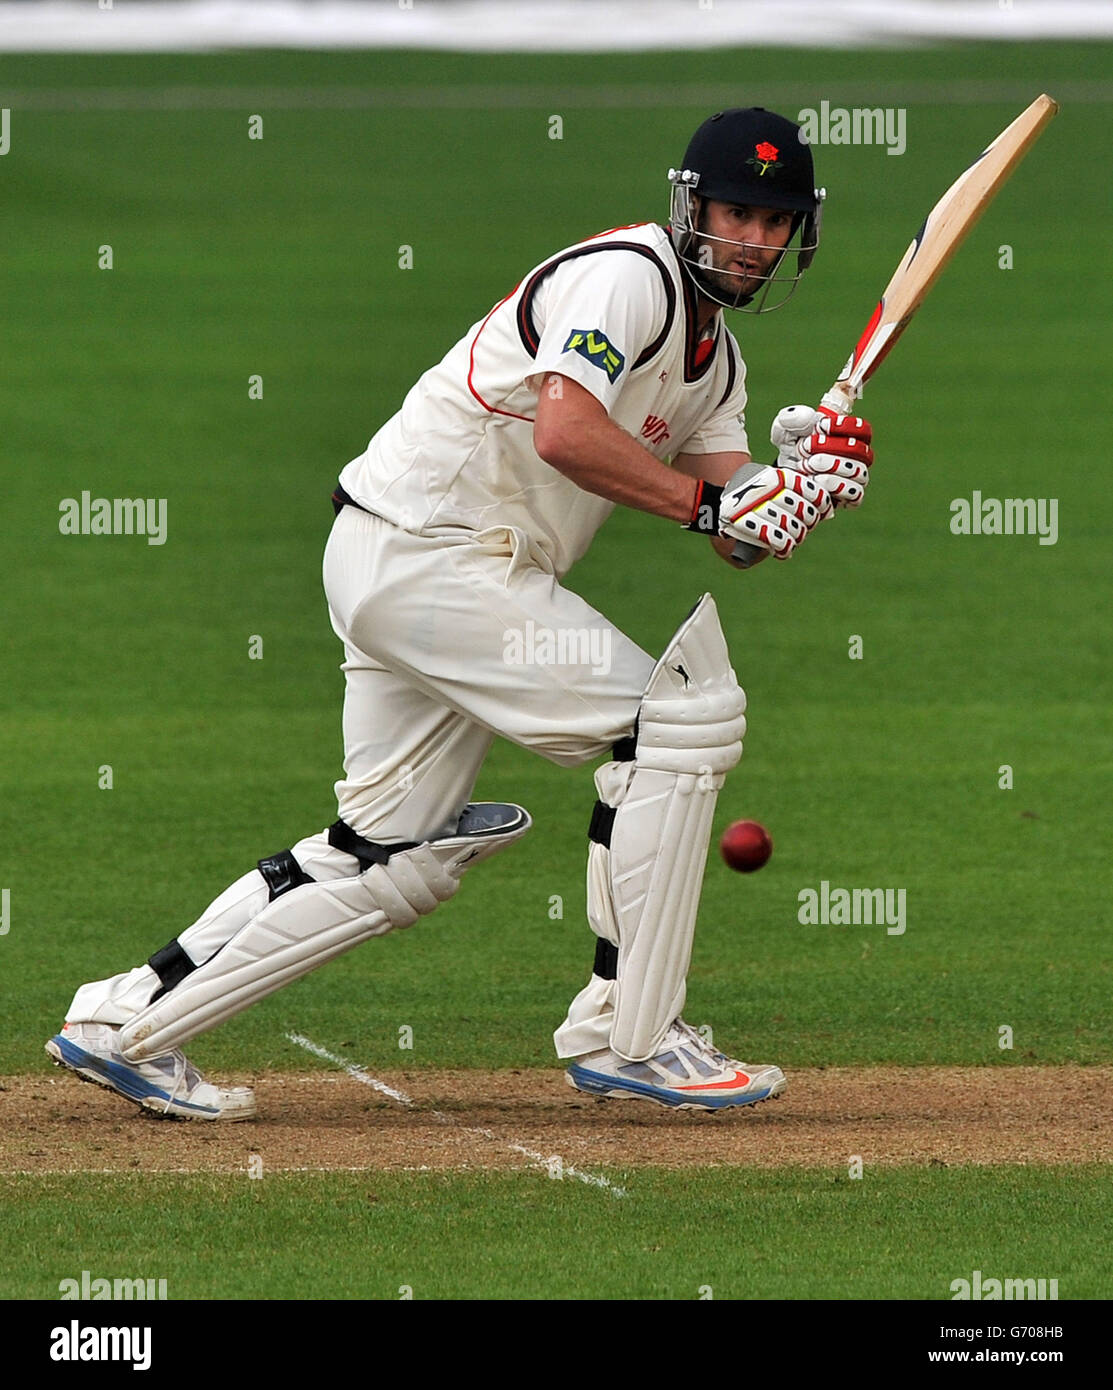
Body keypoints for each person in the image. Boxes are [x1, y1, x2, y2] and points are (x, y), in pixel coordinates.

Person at [47, 107, 874, 1120]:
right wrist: (719, 500)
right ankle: (634, 1033)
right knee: (678, 721)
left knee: (391, 857)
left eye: (775, 220)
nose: (752, 239)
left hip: (417, 565)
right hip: (433, 553)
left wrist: (799, 488)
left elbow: (737, 531)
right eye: (736, 212)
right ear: (691, 205)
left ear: (800, 233)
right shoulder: (629, 279)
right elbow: (572, 432)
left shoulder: (718, 364)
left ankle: (122, 1021)